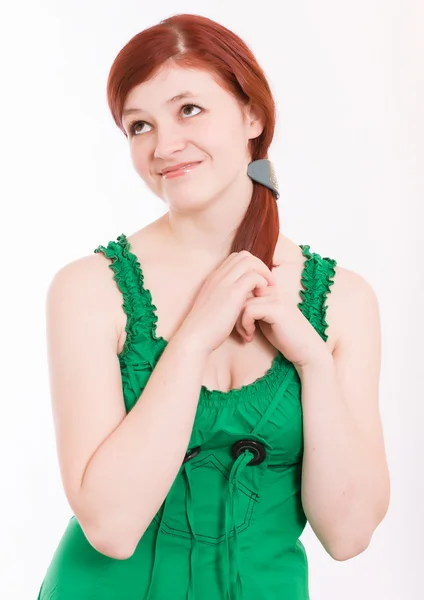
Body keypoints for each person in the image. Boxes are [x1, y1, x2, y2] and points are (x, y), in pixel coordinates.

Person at [37, 13, 390, 600]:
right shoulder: (88, 289)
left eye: (189, 110)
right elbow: (112, 528)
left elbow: (349, 535)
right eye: (139, 126)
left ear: (253, 115)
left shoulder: (345, 301)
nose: (164, 145)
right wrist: (194, 336)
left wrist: (314, 363)